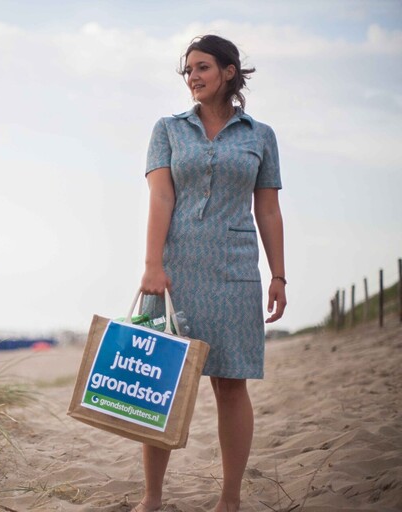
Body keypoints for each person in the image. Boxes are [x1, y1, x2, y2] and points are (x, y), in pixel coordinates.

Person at [135, 35, 287, 512]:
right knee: (161, 381)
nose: (192, 77)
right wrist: (152, 264)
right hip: (175, 272)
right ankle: (153, 498)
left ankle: (229, 499)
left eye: (202, 67)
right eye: (187, 70)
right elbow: (160, 197)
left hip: (236, 271)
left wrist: (278, 276)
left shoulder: (260, 136)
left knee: (230, 383)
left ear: (228, 71)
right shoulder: (168, 129)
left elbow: (268, 210)